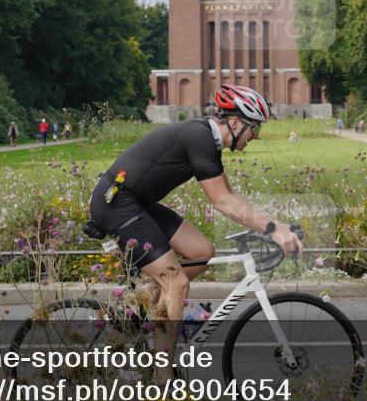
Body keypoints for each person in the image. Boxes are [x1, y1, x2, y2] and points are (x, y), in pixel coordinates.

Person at [87, 84, 302, 384]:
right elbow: (222, 202)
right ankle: (164, 378)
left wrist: (274, 225)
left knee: (202, 251)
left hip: (138, 203)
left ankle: (143, 314)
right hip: (117, 204)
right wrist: (273, 228)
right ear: (236, 122)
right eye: (255, 128)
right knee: (176, 282)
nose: (257, 136)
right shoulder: (199, 136)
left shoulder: (208, 140)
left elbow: (231, 195)